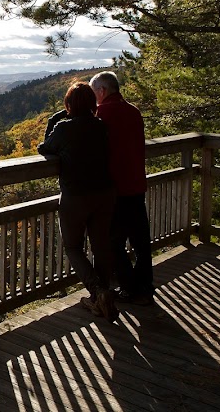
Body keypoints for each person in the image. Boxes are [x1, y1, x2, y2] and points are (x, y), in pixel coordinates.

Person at [38, 81, 118, 321]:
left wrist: (55, 120)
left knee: (73, 246)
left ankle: (98, 292)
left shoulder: (63, 127)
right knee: (101, 245)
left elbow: (45, 147)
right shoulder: (101, 126)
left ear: (69, 104)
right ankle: (101, 299)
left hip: (76, 195)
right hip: (105, 193)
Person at [90, 70, 154, 305]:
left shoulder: (102, 113)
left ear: (102, 91)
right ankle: (146, 287)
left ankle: (129, 288)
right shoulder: (133, 111)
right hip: (137, 184)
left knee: (112, 243)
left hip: (115, 189)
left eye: (94, 92)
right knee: (140, 241)